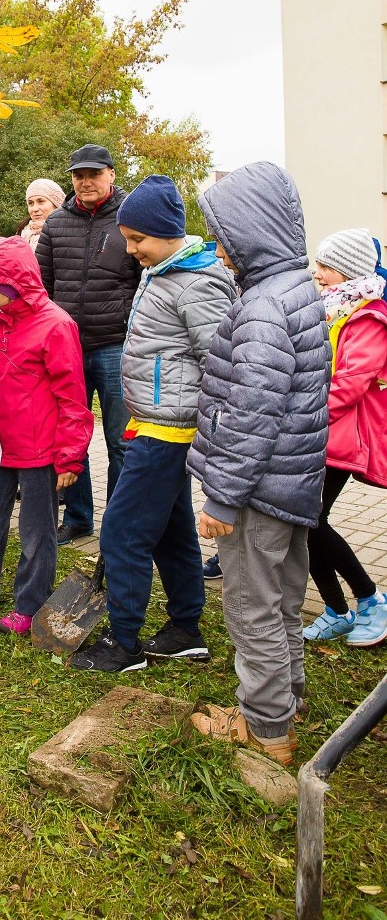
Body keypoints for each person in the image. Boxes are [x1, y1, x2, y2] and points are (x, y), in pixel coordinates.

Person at [187, 162, 332, 766]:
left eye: (224, 232)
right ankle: (286, 701)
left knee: (251, 609)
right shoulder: (297, 288)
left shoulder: (264, 309)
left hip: (257, 491)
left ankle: (266, 730)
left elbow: (250, 415)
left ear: (253, 231)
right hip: (293, 485)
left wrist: (220, 498)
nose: (218, 246)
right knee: (283, 600)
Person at [71, 176, 235, 673]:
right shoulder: (162, 269)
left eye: (138, 239)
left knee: (122, 532)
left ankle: (124, 644)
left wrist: (219, 442)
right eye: (127, 238)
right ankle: (186, 630)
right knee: (171, 530)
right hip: (153, 421)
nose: (130, 248)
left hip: (170, 431)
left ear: (167, 231)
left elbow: (222, 367)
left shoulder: (198, 283)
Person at [0, 236, 94, 634]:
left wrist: (70, 456)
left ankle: (30, 604)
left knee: (36, 532)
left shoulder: (56, 326)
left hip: (40, 452)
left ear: (17, 286)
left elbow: (73, 398)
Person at [36, 144, 141, 543]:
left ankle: (118, 522)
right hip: (67, 349)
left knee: (120, 441)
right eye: (79, 175)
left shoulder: (130, 219)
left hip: (115, 345)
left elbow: (143, 278)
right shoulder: (56, 224)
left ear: (111, 175)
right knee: (69, 437)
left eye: (94, 174)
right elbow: (42, 286)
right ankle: (78, 518)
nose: (85, 181)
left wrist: (125, 314)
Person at [303, 228, 387, 647]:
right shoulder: (332, 307)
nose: (317, 273)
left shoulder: (368, 316)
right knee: (305, 521)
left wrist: (304, 413)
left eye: (325, 266)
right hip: (319, 430)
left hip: (338, 433)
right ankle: (336, 610)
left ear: (349, 270)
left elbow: (350, 382)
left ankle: (372, 599)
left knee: (311, 520)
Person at [17, 178, 66, 252]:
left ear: (56, 204)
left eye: (41, 201)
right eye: (31, 203)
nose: (34, 209)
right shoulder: (22, 233)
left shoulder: (68, 233)